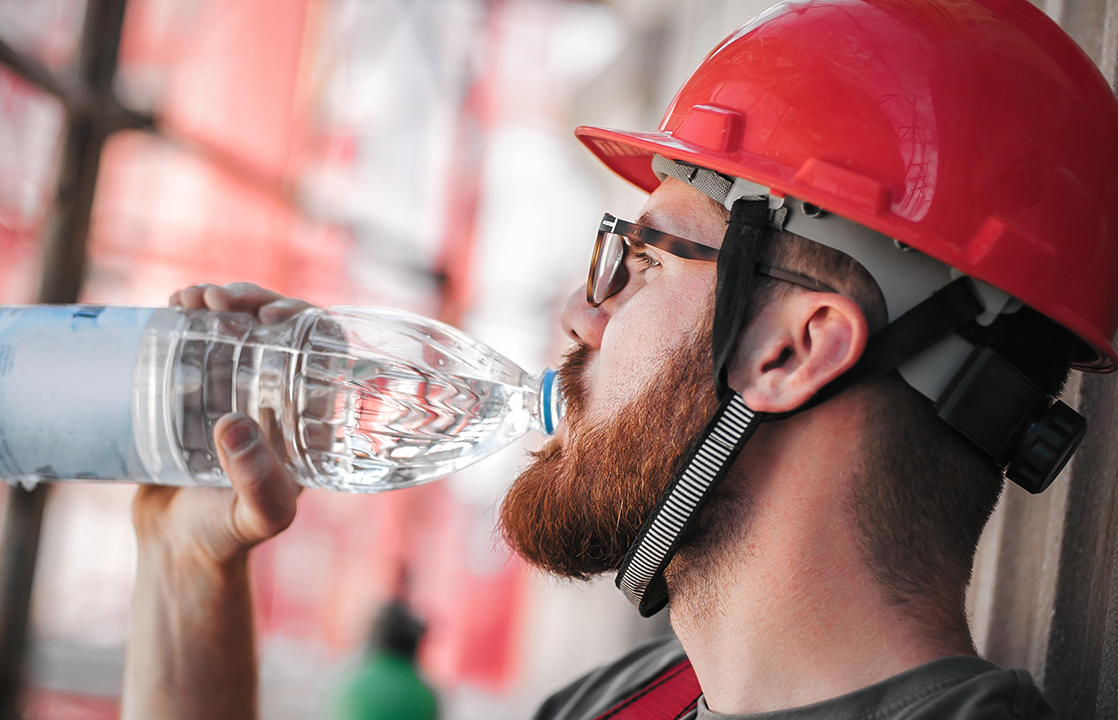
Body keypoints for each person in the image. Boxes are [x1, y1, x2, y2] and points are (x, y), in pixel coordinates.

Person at [119, 0, 1118, 718]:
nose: (576, 314)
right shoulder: (618, 703)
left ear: (788, 349)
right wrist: (185, 567)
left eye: (635, 261)